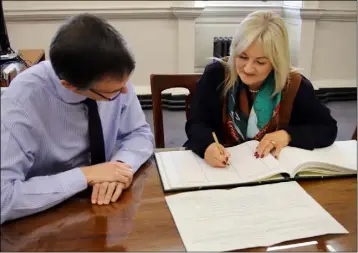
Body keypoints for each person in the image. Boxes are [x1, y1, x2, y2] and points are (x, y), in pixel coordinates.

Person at [1, 13, 154, 224]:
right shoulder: (21, 102)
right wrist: (86, 176)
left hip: (107, 207)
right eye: (113, 92)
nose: (125, 93)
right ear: (69, 86)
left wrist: (119, 167)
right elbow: (4, 199)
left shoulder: (112, 79)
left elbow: (139, 133)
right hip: (47, 218)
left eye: (126, 83)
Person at [184, 10, 337, 168]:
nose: (248, 68)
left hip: (272, 172)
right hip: (223, 169)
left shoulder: (294, 85)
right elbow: (196, 123)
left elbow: (327, 129)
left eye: (261, 62)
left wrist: (287, 135)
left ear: (276, 62)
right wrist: (207, 146)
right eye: (242, 57)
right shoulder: (216, 75)